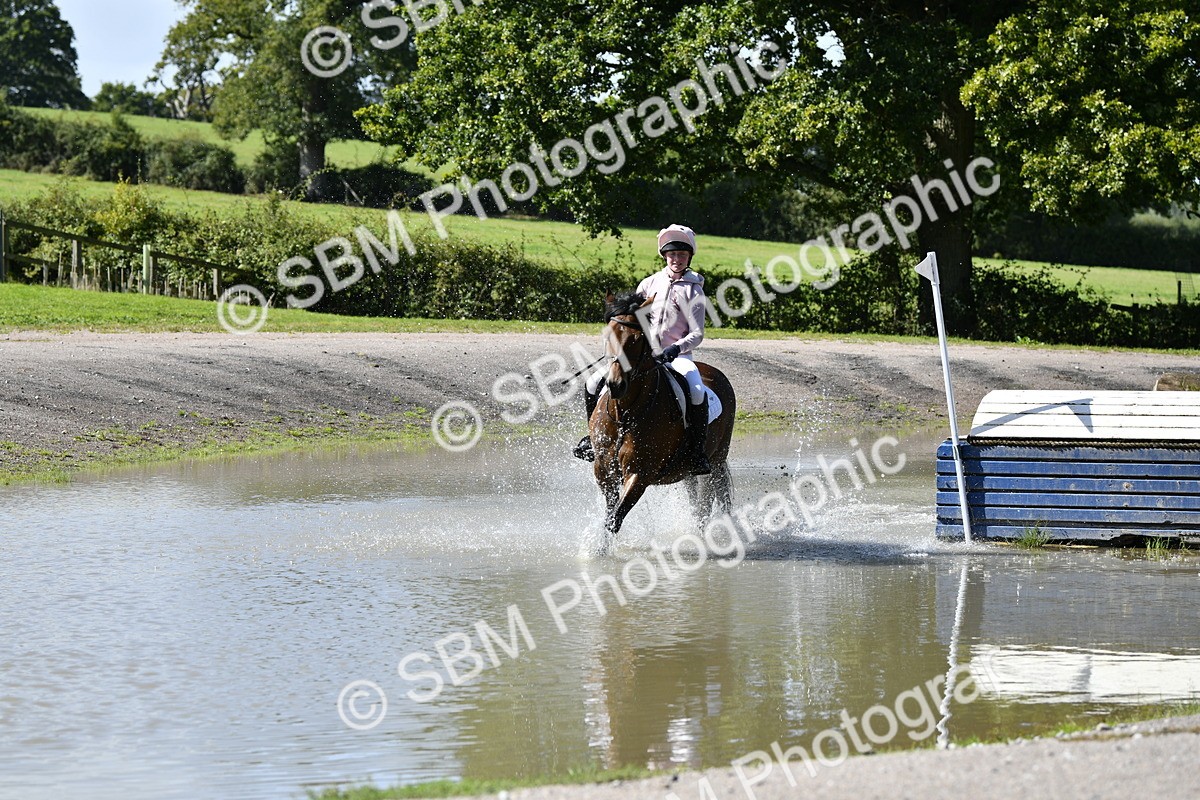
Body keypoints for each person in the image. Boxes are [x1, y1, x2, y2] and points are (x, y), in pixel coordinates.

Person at [573, 223, 712, 475]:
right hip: (640, 355)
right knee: (593, 383)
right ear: (665, 256)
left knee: (696, 388)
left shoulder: (694, 290)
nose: (676, 260)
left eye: (681, 255)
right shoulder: (648, 284)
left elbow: (697, 334)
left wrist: (675, 349)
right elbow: (631, 319)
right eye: (672, 255)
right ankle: (592, 440)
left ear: (689, 257)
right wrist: (621, 345)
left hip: (675, 357)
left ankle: (696, 452)